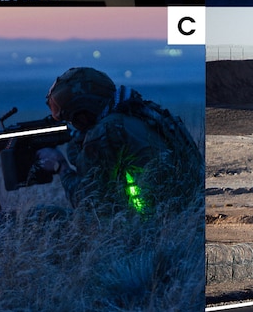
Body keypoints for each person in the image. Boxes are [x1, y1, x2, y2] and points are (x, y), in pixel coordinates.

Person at [36, 67, 203, 215]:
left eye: (73, 119)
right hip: (186, 210)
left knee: (39, 216)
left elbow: (88, 203)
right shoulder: (143, 112)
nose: (74, 125)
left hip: (152, 223)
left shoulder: (106, 131)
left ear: (83, 112)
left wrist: (60, 166)